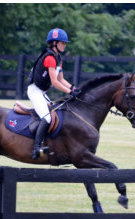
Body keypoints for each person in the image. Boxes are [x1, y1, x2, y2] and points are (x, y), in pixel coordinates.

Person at [27, 28, 81, 160]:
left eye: (65, 43)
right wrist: (70, 92)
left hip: (42, 91)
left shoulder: (58, 58)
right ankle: (36, 148)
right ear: (55, 43)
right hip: (35, 91)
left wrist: (74, 88)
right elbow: (55, 83)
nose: (65, 45)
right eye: (63, 42)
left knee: (55, 115)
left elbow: (62, 79)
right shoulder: (50, 58)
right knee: (47, 118)